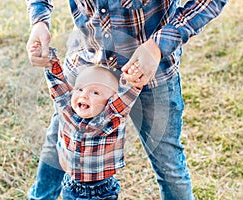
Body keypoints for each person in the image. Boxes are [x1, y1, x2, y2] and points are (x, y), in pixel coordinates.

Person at [25, 0, 228, 199]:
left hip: (152, 74)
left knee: (168, 164)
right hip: (87, 63)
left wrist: (158, 45)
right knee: (57, 142)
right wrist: (39, 21)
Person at [29, 44, 142, 199]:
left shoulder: (109, 118)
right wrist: (49, 60)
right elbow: (58, 85)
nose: (84, 95)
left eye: (95, 92)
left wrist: (134, 77)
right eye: (80, 89)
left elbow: (126, 95)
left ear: (110, 100)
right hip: (69, 185)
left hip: (100, 192)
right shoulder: (67, 111)